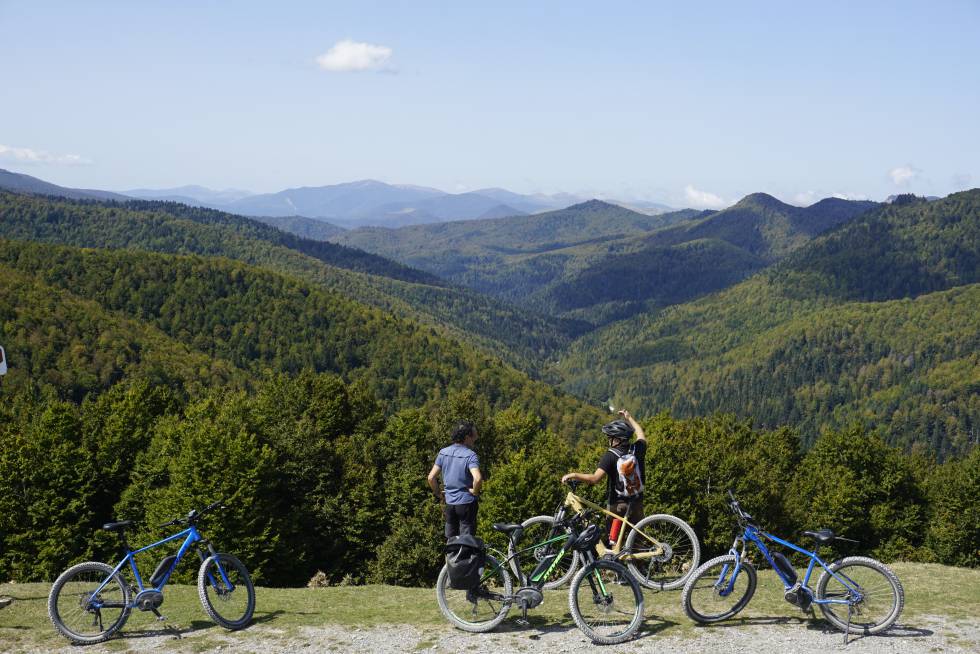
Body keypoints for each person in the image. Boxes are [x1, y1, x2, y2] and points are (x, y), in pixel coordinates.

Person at [561, 410, 647, 538]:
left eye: (610, 438)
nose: (608, 440)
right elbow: (640, 434)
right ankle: (641, 550)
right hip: (636, 502)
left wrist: (574, 474)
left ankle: (613, 548)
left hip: (617, 506)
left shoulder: (610, 455)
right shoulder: (637, 448)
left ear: (617, 439)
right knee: (637, 538)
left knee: (612, 540)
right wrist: (629, 418)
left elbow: (594, 479)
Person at [427, 421, 483, 541]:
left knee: (451, 540)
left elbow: (431, 478)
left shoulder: (443, 452)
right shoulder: (470, 455)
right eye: (474, 435)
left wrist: (438, 493)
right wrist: (475, 491)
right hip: (466, 504)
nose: (476, 438)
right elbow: (477, 478)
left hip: (450, 503)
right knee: (466, 541)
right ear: (467, 437)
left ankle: (452, 554)